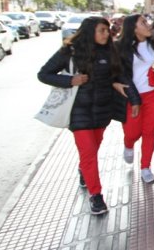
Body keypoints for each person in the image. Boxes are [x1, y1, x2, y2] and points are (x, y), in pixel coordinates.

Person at [37, 16, 128, 215]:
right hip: (79, 112)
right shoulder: (70, 52)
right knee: (88, 152)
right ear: (90, 32)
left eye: (107, 30)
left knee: (93, 150)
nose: (106, 34)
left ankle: (83, 170)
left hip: (103, 110)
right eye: (101, 30)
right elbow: (44, 74)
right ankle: (96, 196)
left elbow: (115, 74)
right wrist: (70, 80)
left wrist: (117, 83)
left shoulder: (110, 50)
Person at [117, 14, 154, 183]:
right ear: (133, 28)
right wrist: (133, 98)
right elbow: (120, 75)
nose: (148, 25)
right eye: (143, 23)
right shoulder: (120, 48)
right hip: (132, 97)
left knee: (149, 131)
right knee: (132, 131)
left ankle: (145, 167)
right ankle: (128, 144)